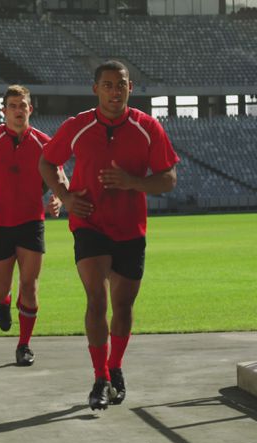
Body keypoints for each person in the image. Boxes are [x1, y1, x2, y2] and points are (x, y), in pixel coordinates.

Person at [39, 60, 178, 411]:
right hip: (90, 224)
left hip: (131, 227)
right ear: (95, 89)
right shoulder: (78, 126)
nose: (114, 91)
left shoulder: (148, 127)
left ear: (130, 88)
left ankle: (116, 366)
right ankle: (100, 378)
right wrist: (67, 195)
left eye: (121, 85)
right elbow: (47, 162)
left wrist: (134, 183)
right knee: (97, 300)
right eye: (107, 85)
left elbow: (169, 178)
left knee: (123, 305)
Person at [0, 85, 62, 366]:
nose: (18, 111)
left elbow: (60, 177)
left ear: (30, 109)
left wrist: (58, 199)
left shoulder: (45, 142)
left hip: (32, 223)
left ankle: (24, 345)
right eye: (13, 106)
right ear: (4, 111)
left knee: (29, 286)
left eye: (23, 105)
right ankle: (4, 302)